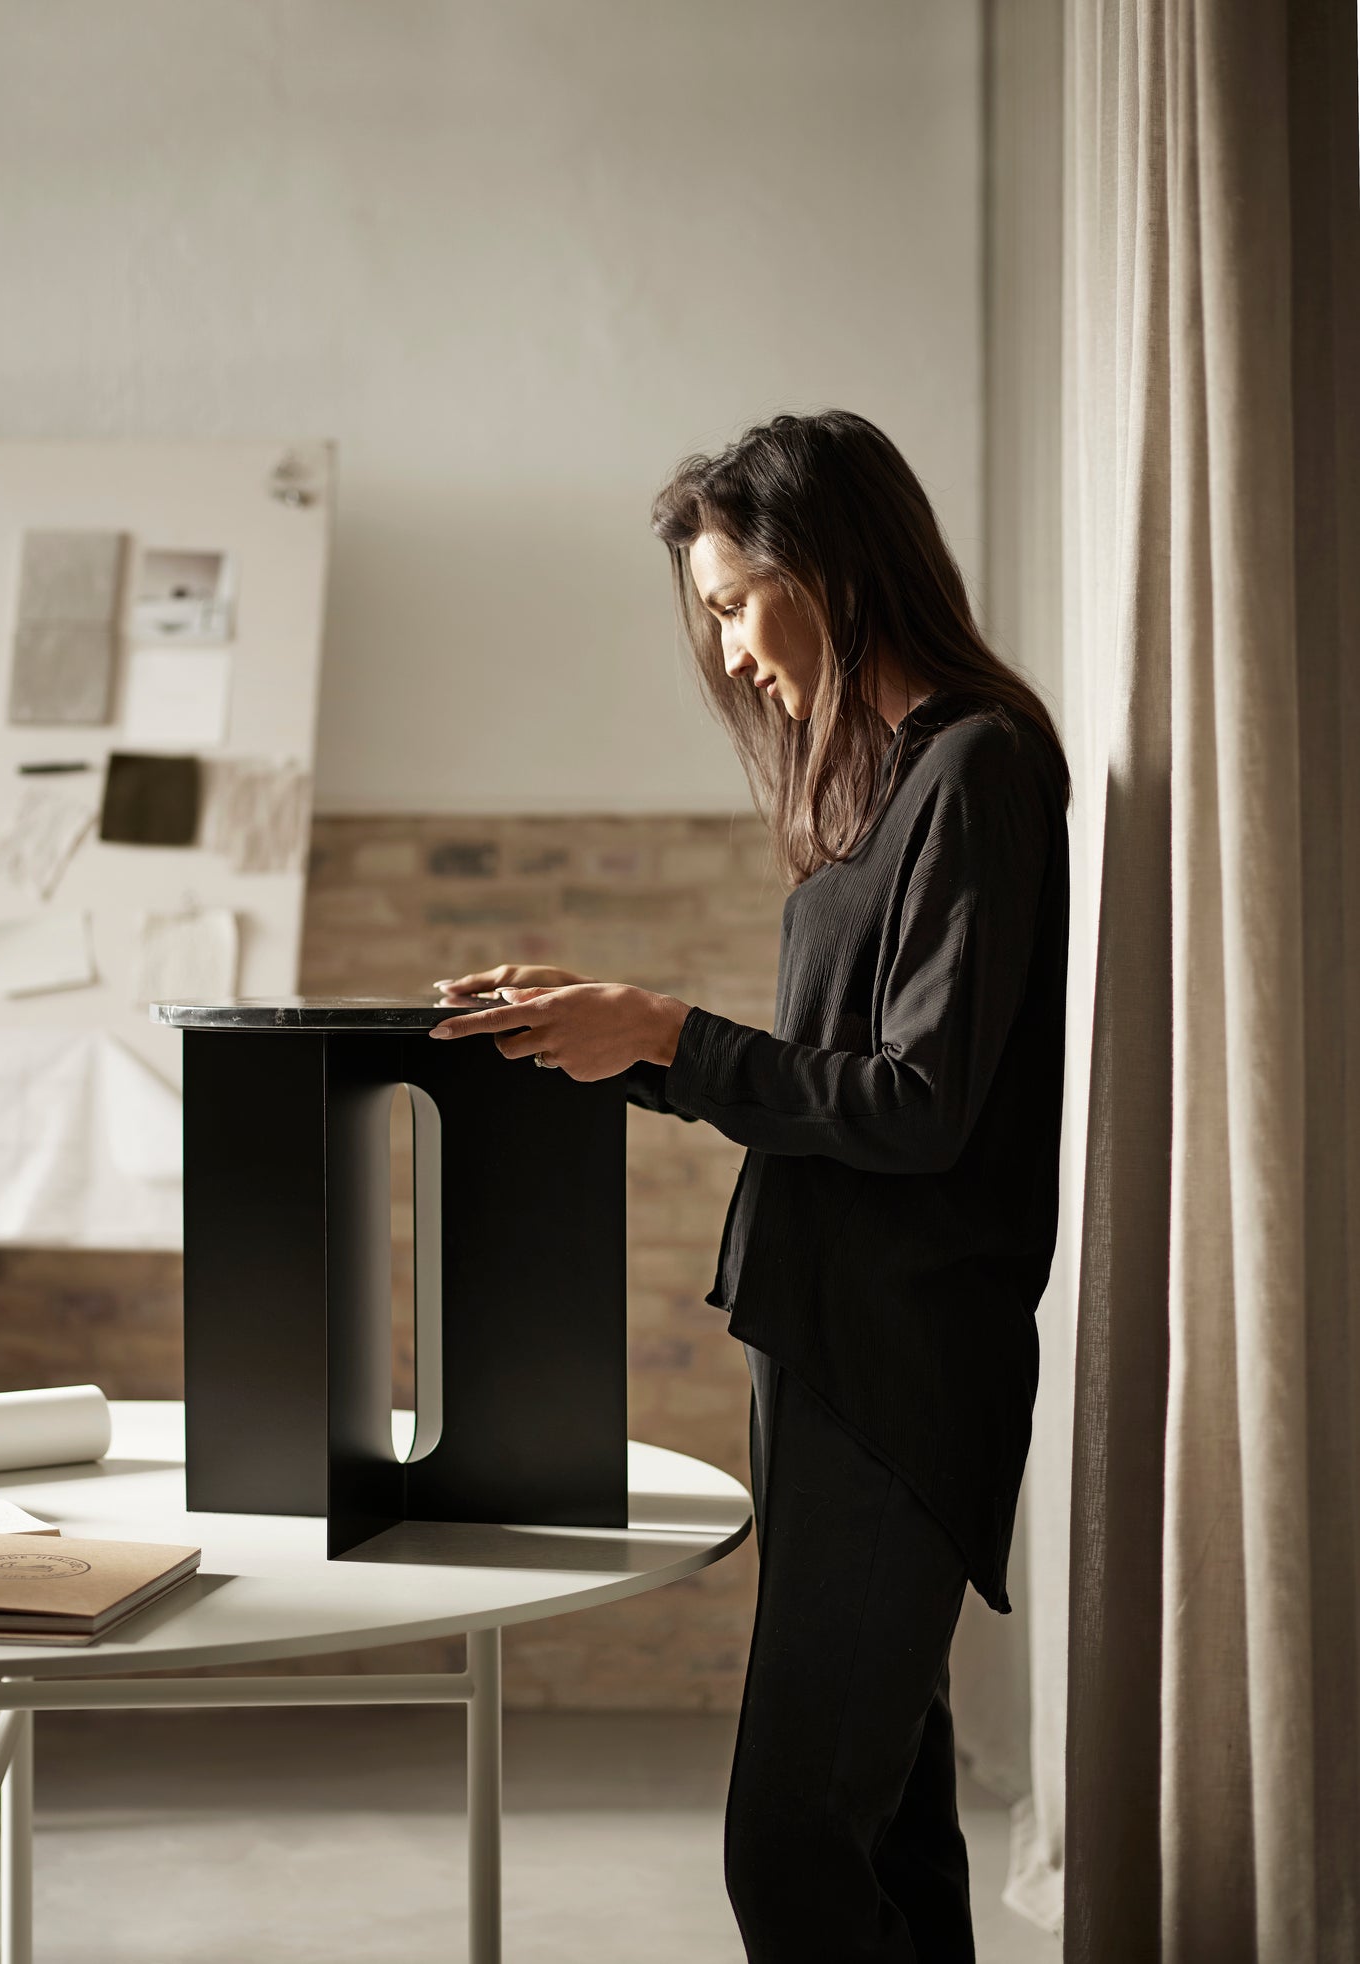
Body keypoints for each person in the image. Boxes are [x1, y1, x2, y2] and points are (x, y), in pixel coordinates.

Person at [428, 408, 1071, 1962]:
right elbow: (835, 1093)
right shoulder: (885, 787)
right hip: (828, 1350)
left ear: (831, 567)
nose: (724, 654)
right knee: (895, 1832)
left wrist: (671, 1032)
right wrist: (620, 1041)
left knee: (789, 1852)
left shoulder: (981, 770)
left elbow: (918, 1110)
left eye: (731, 603)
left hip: (899, 1371)